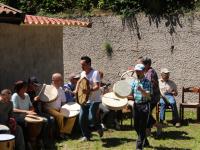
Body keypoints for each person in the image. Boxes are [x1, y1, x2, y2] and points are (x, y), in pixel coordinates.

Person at [78, 56, 103, 141]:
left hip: (94, 100)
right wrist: (76, 90)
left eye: (83, 65)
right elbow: (80, 84)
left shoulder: (95, 73)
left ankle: (99, 127)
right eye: (81, 65)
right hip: (84, 100)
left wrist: (89, 90)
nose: (82, 67)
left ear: (89, 64)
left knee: (91, 118)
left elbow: (97, 86)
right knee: (81, 118)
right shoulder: (82, 73)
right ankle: (86, 136)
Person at [44, 73, 74, 139]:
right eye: (60, 80)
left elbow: (63, 102)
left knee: (72, 116)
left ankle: (66, 131)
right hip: (48, 108)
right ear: (54, 80)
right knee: (60, 116)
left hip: (58, 109)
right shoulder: (48, 88)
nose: (61, 81)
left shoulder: (61, 90)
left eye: (61, 80)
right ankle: (61, 134)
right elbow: (44, 102)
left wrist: (65, 110)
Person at [131, 64, 152, 150]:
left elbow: (149, 96)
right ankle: (145, 141)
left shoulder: (148, 82)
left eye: (139, 71)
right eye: (136, 71)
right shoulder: (134, 82)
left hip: (144, 105)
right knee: (136, 126)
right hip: (136, 105)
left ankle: (139, 147)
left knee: (142, 126)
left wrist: (142, 90)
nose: (137, 72)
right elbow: (131, 93)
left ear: (143, 71)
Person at [138, 57, 161, 136]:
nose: (140, 66)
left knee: (146, 113)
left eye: (141, 64)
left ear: (147, 64)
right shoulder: (146, 71)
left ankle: (157, 126)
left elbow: (150, 85)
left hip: (153, 97)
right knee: (146, 113)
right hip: (148, 96)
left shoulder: (151, 72)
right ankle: (149, 130)